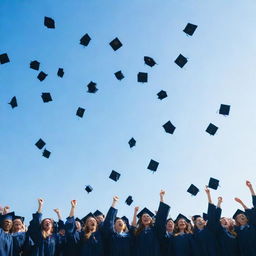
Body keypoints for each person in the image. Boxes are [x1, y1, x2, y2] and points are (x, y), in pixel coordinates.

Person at [132, 190, 170, 256]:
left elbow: (161, 217)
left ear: (151, 219)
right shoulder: (138, 232)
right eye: (143, 217)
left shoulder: (156, 229)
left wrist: (161, 197)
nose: (146, 217)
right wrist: (135, 212)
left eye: (147, 216)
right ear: (141, 220)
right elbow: (133, 227)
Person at [192, 186, 220, 256]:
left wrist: (208, 195)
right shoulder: (193, 234)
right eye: (198, 220)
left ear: (205, 222)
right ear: (195, 223)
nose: (200, 221)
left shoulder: (210, 228)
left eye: (201, 220)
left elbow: (211, 214)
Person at [234, 180, 256, 255]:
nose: (242, 216)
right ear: (237, 221)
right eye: (239, 217)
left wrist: (250, 188)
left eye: (243, 215)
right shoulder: (237, 232)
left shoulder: (253, 224)